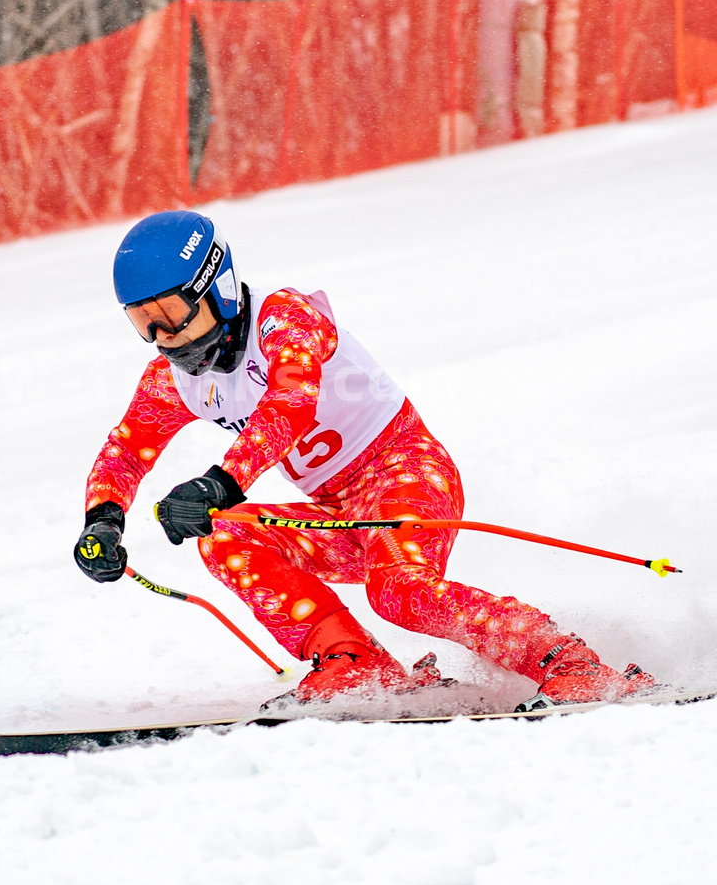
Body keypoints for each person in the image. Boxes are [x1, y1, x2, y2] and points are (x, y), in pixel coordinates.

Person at [73, 209, 653, 704]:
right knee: (226, 537)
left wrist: (219, 484)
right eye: (142, 322)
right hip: (339, 514)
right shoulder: (174, 376)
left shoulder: (285, 319)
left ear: (216, 286)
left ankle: (573, 664)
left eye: (172, 313)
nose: (164, 338)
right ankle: (353, 663)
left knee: (401, 592)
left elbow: (290, 406)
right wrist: (103, 519)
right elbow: (127, 447)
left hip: (406, 473)